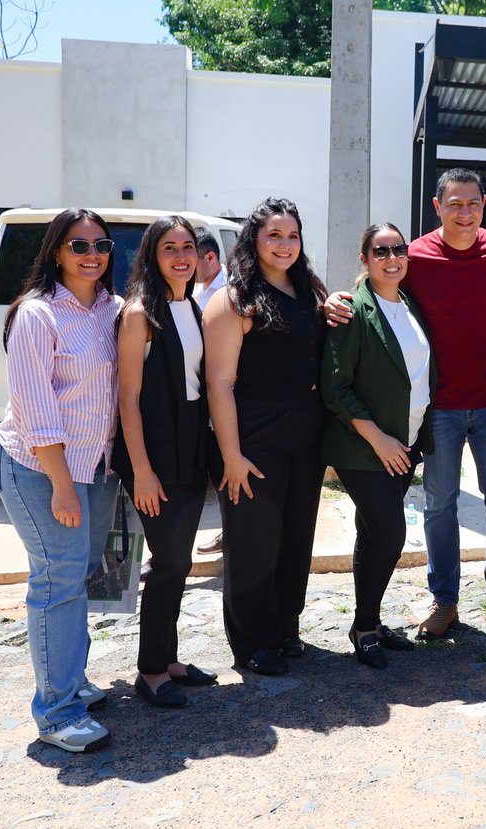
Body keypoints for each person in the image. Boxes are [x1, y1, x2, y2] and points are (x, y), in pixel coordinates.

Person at [324, 168, 486, 645]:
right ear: (437, 207)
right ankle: (445, 600)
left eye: (472, 202)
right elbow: (376, 290)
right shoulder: (415, 255)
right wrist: (331, 301)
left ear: (484, 203)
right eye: (454, 203)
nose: (464, 211)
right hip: (439, 410)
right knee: (440, 507)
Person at [0, 209, 120, 752]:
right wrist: (63, 484)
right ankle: (57, 712)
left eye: (101, 244)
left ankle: (71, 680)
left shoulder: (113, 310)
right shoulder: (37, 315)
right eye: (78, 245)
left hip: (97, 467)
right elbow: (35, 407)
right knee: (57, 580)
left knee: (86, 574)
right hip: (43, 470)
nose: (91, 254)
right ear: (55, 252)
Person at [203, 198, 328, 677]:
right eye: (274, 235)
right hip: (253, 439)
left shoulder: (310, 292)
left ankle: (285, 626)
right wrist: (230, 454)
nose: (284, 244)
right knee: (254, 542)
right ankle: (253, 642)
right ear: (253, 241)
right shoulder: (232, 300)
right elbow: (220, 383)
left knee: (295, 538)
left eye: (292, 236)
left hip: (307, 438)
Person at [322, 223, 435, 669]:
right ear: (364, 259)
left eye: (398, 250)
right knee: (390, 534)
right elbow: (335, 387)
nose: (392, 258)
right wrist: (379, 438)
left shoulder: (410, 304)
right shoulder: (352, 310)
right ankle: (365, 627)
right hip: (365, 446)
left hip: (404, 444)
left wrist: (404, 440)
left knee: (372, 532)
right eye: (381, 251)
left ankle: (367, 622)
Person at [115, 215, 217, 707]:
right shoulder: (140, 313)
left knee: (180, 562)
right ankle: (151, 670)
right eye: (169, 248)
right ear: (153, 256)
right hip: (156, 454)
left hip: (191, 448)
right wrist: (142, 470)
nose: (181, 256)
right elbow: (128, 397)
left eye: (189, 248)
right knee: (169, 561)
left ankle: (169, 658)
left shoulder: (192, 306)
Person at [193, 226, 228, 558]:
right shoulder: (195, 291)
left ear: (210, 257)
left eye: (193, 256)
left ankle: (230, 533)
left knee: (224, 469)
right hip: (198, 395)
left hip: (223, 395)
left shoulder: (227, 292)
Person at [192, 227, 228, 310]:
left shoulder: (231, 289)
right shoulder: (192, 286)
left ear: (210, 258)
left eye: (192, 263)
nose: (188, 269)